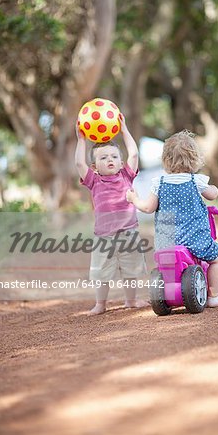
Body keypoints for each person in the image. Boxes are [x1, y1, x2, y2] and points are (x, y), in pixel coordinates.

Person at [126, 129, 218, 308]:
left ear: (165, 160)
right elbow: (212, 194)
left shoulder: (158, 183)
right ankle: (215, 295)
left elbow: (147, 207)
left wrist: (134, 199)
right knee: (217, 257)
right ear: (194, 159)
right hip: (195, 239)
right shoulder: (196, 180)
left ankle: (163, 292)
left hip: (167, 241)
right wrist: (214, 188)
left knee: (164, 266)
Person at [75, 113, 148, 315]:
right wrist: (81, 139)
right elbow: (79, 164)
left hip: (128, 233)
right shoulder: (93, 181)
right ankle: (101, 304)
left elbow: (133, 155)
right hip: (103, 236)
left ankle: (131, 300)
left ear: (120, 161)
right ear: (94, 166)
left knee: (131, 269)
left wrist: (124, 130)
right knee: (100, 271)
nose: (110, 160)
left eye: (114, 157)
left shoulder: (126, 176)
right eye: (104, 157)